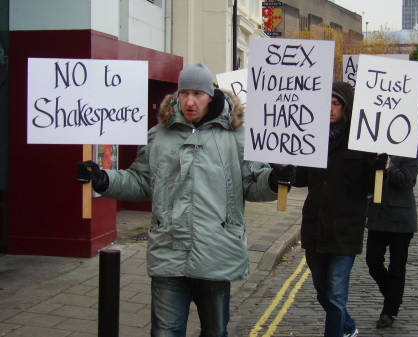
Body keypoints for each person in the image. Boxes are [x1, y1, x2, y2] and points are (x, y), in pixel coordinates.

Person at [76, 63, 294, 337]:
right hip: (169, 252)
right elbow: (141, 183)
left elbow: (253, 185)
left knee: (215, 332)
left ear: (210, 96)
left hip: (217, 253)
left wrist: (275, 180)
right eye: (184, 93)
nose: (190, 101)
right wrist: (104, 180)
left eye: (198, 94)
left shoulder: (237, 135)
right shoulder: (159, 135)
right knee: (165, 332)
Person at [293, 81, 375, 337]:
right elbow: (300, 179)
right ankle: (348, 327)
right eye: (326, 102)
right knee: (323, 292)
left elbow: (372, 186)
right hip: (315, 228)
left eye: (336, 103)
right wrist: (282, 163)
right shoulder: (312, 136)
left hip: (345, 230)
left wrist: (381, 164)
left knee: (336, 293)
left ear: (346, 108)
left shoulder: (361, 143)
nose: (329, 108)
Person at [365, 153, 418, 329]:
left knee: (397, 267)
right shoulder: (373, 151)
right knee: (373, 262)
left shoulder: (411, 151)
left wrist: (390, 165)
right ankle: (393, 296)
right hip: (378, 216)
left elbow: (406, 181)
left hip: (402, 219)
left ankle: (388, 311)